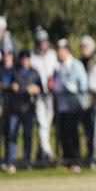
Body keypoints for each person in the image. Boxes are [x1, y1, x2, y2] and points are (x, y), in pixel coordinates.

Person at [52, 38, 88, 172]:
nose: (58, 53)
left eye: (60, 50)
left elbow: (83, 84)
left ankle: (75, 161)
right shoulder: (59, 66)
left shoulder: (76, 65)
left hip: (73, 106)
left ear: (66, 51)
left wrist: (72, 90)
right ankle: (67, 161)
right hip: (61, 106)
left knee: (73, 134)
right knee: (63, 135)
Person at [5, 50, 41, 173]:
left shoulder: (34, 73)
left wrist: (37, 89)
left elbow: (40, 87)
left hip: (29, 109)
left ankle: (26, 162)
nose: (25, 61)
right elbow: (5, 84)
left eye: (27, 58)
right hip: (14, 108)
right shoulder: (13, 71)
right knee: (12, 135)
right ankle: (10, 162)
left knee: (28, 135)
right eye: (23, 58)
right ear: (20, 59)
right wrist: (11, 87)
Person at [30, 26, 58, 162]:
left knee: (48, 122)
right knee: (42, 123)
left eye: (44, 42)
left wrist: (54, 82)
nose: (42, 44)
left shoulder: (52, 55)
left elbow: (57, 72)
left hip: (51, 95)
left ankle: (44, 151)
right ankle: (47, 152)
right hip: (38, 96)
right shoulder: (32, 56)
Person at [79, 34, 96, 162]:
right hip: (86, 100)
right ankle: (91, 153)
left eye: (85, 46)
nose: (83, 49)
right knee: (88, 129)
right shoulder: (81, 61)